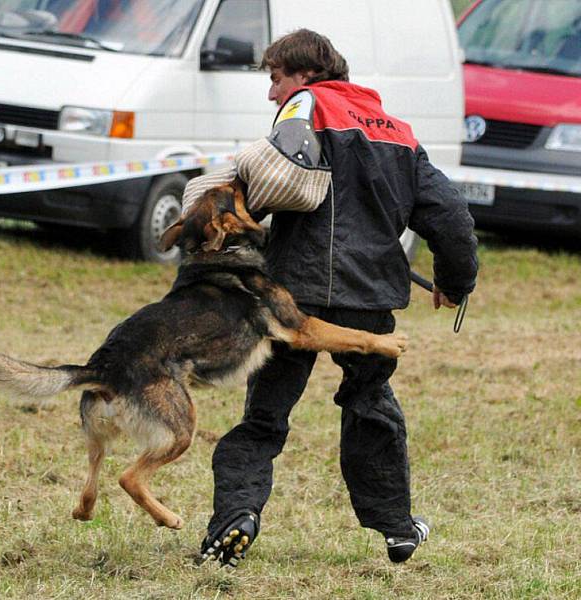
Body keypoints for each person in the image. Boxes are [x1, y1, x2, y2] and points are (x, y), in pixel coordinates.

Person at [197, 29, 478, 568]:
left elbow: (267, 181)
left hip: (292, 298)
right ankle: (397, 528)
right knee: (370, 404)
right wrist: (456, 281)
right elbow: (450, 217)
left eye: (276, 79)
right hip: (368, 303)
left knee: (263, 420)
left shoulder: (303, 109)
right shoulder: (396, 131)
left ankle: (236, 517)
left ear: (304, 74)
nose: (272, 93)